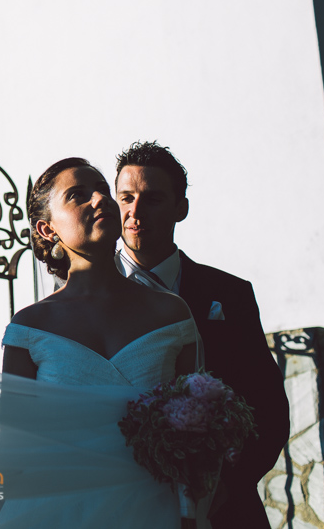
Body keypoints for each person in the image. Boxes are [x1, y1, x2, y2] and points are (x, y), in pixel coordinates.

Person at [0, 157, 201, 527]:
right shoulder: (30, 327)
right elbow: (11, 453)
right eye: (78, 196)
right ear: (47, 229)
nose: (100, 200)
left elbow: (195, 440)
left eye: (103, 191)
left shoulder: (172, 314)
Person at [113, 141, 290, 529]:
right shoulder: (85, 298)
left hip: (222, 508)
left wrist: (221, 489)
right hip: (118, 503)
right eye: (125, 197)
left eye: (152, 199)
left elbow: (268, 406)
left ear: (182, 208)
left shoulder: (230, 294)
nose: (134, 211)